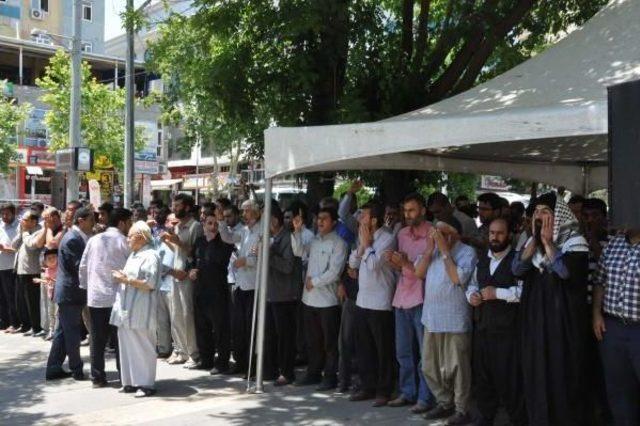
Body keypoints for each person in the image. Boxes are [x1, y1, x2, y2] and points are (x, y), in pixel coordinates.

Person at [512, 192, 589, 425]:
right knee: (536, 371)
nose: (540, 215)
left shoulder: (575, 242)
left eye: (546, 211)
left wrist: (547, 243)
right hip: (535, 319)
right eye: (536, 211)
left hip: (563, 322)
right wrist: (535, 241)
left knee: (560, 373)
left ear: (558, 216)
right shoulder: (529, 242)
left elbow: (566, 272)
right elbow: (516, 270)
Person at [415, 217, 477, 425]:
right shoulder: (431, 250)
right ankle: (444, 403)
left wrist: (444, 250)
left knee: (457, 368)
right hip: (431, 318)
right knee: (429, 366)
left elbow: (458, 278)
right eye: (437, 232)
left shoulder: (467, 252)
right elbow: (419, 273)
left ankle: (462, 409)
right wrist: (430, 248)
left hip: (455, 320)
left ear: (457, 234)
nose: (440, 236)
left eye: (445, 232)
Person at [466, 218, 526, 426]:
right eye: (492, 233)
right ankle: (485, 417)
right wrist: (471, 295)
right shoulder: (482, 259)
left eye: (500, 233)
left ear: (509, 235)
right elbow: (472, 284)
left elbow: (525, 292)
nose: (495, 237)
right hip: (483, 328)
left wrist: (498, 293)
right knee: (483, 378)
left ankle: (517, 419)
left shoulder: (518, 260)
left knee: (510, 379)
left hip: (508, 331)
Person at [385, 193, 434, 414]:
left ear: (422, 210)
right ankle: (408, 392)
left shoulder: (432, 234)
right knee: (403, 351)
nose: (407, 215)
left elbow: (424, 272)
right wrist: (394, 262)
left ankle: (425, 397)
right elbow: (403, 269)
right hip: (402, 297)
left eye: (412, 210)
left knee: (425, 354)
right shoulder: (402, 233)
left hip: (423, 298)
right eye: (405, 211)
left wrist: (404, 262)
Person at [347, 202, 396, 407]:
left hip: (380, 301)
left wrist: (367, 246)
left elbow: (375, 265)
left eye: (364, 215)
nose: (360, 219)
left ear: (374, 219)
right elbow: (352, 264)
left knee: (382, 349)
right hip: (363, 300)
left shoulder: (387, 237)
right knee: (364, 347)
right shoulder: (363, 236)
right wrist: (362, 245)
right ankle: (368, 386)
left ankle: (384, 390)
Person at [79, 208, 132, 388]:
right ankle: (124, 375)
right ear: (122, 223)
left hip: (96, 297)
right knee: (119, 339)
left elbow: (83, 267)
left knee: (97, 339)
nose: (130, 227)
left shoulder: (93, 240)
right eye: (129, 223)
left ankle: (98, 377)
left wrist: (87, 288)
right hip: (117, 297)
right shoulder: (124, 242)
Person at [592, 227, 640, 426]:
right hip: (612, 329)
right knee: (618, 390)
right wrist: (596, 314)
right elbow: (599, 280)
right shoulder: (615, 243)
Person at [297, 207, 347, 391]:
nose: (320, 222)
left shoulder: (339, 243)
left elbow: (334, 272)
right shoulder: (314, 240)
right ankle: (313, 373)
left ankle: (330, 376)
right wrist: (297, 231)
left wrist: (314, 282)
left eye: (324, 219)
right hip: (309, 299)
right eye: (318, 219)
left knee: (329, 342)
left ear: (334, 222)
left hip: (327, 301)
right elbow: (299, 251)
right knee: (313, 340)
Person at [110, 221, 161, 398]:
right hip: (125, 310)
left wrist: (125, 280)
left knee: (143, 347)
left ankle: (146, 384)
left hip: (141, 310)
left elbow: (150, 283)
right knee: (126, 346)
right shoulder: (133, 255)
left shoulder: (151, 256)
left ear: (140, 237)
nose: (127, 239)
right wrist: (123, 277)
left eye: (130, 236)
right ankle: (130, 382)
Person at [46, 207, 95, 381]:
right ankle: (77, 369)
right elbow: (79, 267)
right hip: (70, 294)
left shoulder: (77, 237)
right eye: (91, 220)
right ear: (81, 220)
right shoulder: (73, 239)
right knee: (72, 332)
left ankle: (53, 368)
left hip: (71, 293)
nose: (94, 223)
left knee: (62, 331)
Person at [217, 199, 262, 375]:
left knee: (251, 328)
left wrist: (246, 261)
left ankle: (252, 366)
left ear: (256, 212)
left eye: (247, 211)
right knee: (239, 328)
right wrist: (221, 221)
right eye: (242, 211)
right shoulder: (244, 231)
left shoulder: (260, 232)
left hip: (254, 285)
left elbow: (254, 257)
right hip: (241, 285)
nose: (243, 214)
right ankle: (241, 362)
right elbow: (228, 237)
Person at [161, 194, 203, 368]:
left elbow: (195, 253)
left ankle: (194, 353)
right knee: (176, 314)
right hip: (176, 275)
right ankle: (181, 351)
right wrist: (171, 241)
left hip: (187, 277)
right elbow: (179, 250)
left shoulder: (195, 227)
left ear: (187, 207)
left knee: (188, 315)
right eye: (174, 205)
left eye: (178, 205)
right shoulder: (178, 227)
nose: (174, 208)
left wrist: (177, 241)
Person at [189, 211, 234, 372]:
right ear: (204, 225)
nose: (213, 227)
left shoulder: (224, 243)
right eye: (210, 223)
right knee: (202, 327)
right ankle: (206, 360)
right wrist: (191, 271)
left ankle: (222, 363)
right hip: (200, 289)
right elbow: (193, 261)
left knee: (220, 328)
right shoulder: (200, 242)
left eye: (216, 224)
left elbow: (223, 262)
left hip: (217, 290)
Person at [263, 203, 299, 385]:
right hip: (271, 293)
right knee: (270, 334)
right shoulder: (270, 237)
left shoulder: (287, 238)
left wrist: (269, 255)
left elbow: (287, 266)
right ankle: (270, 369)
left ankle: (287, 371)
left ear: (275, 221)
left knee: (285, 336)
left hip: (284, 295)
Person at [12, 210, 43, 336]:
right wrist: (21, 232)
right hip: (21, 270)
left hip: (32, 272)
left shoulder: (39, 231)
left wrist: (24, 233)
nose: (22, 222)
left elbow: (31, 245)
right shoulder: (24, 232)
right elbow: (14, 245)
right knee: (22, 301)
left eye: (24, 220)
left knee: (33, 301)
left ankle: (36, 327)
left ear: (33, 221)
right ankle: (28, 324)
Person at [154, 208, 174, 359]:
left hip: (174, 284)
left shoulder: (179, 240)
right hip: (160, 284)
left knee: (175, 321)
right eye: (168, 221)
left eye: (173, 222)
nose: (169, 224)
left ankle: (179, 349)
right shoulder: (160, 239)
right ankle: (163, 348)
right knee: (161, 321)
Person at [0, 203, 19, 334]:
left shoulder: (19, 227)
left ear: (14, 213)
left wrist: (6, 249)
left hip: (10, 267)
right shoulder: (0, 225)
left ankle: (14, 322)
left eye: (7, 214)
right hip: (0, 265)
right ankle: (4, 321)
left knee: (10, 297)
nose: (4, 216)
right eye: (2, 214)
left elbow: (20, 248)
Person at [34, 249, 59, 341]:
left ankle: (57, 332)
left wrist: (44, 280)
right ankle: (51, 331)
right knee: (50, 313)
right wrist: (41, 280)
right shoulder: (47, 270)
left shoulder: (60, 269)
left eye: (54, 257)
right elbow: (48, 281)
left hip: (58, 296)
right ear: (45, 261)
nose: (52, 259)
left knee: (57, 314)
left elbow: (58, 281)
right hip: (50, 295)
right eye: (49, 258)